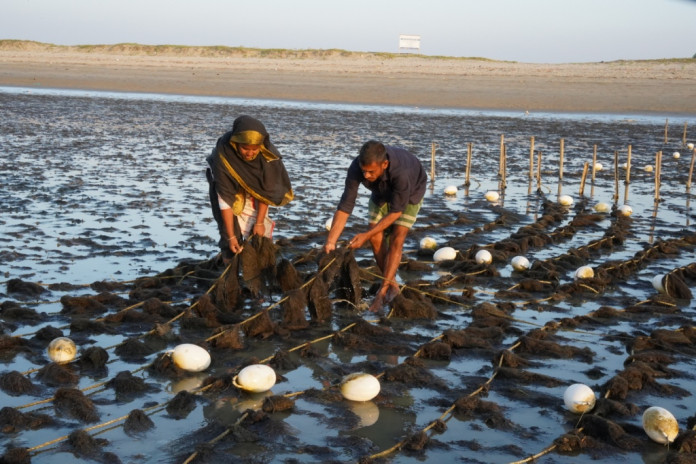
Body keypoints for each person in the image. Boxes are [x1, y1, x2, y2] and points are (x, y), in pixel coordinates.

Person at [323, 140, 427, 312]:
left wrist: (365, 234)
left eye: (371, 172)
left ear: (384, 164)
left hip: (411, 192)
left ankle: (382, 292)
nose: (366, 176)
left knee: (397, 238)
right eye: (364, 171)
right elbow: (345, 206)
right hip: (380, 192)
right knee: (375, 238)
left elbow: (395, 212)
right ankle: (392, 285)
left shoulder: (402, 172)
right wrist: (330, 241)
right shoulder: (356, 168)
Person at [206, 115, 293, 263]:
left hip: (254, 197)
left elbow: (265, 192)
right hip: (228, 193)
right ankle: (229, 269)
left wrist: (259, 223)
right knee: (228, 238)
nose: (250, 153)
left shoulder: (266, 157)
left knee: (258, 236)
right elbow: (224, 199)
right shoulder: (224, 156)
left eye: (255, 149)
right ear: (235, 144)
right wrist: (231, 237)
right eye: (245, 148)